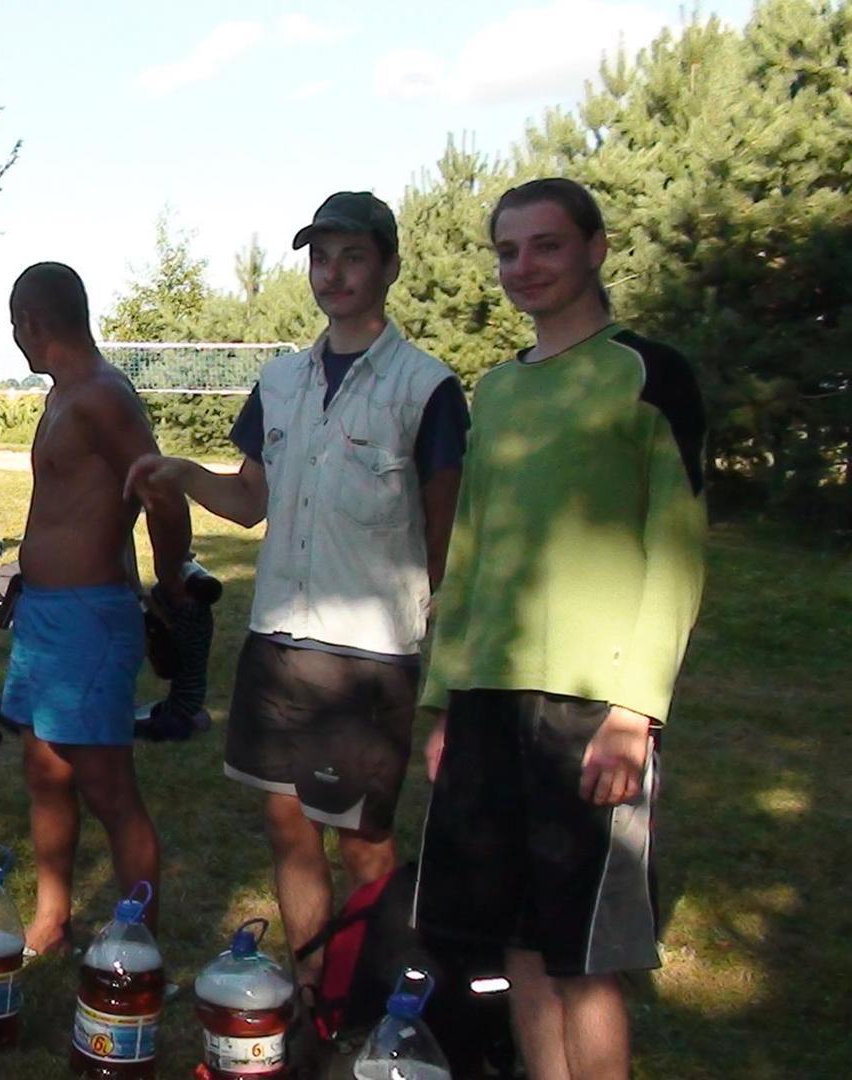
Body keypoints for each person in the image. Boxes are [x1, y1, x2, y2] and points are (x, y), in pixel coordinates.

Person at [125, 191, 469, 988]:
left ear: (389, 266)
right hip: (278, 644)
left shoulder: (427, 389)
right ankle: (316, 994)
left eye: (353, 257)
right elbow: (250, 501)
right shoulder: (280, 381)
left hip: (367, 659)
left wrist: (442, 659)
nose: (334, 274)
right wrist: (183, 474)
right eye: (321, 258)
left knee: (363, 843)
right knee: (287, 828)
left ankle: (387, 999)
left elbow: (446, 541)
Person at [412, 178, 706, 1079]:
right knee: (518, 941)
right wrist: (443, 703)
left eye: (546, 245)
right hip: (488, 701)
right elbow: (469, 552)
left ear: (595, 248)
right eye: (508, 250)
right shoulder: (497, 390)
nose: (524, 267)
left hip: (593, 706)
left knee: (585, 956)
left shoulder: (649, 375)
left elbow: (677, 555)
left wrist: (634, 712)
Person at [3, 262, 191, 955]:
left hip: (90, 617)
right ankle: (53, 921)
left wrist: (171, 579)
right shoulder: (62, 394)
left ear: (32, 322)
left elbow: (162, 492)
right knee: (45, 770)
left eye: (15, 326)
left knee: (108, 786)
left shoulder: (103, 397)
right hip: (45, 615)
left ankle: (139, 943)